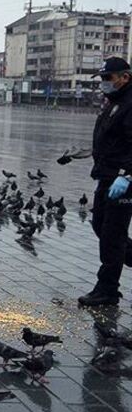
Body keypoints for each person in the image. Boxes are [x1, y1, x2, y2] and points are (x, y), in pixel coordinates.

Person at [78, 57, 132, 307]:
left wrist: (127, 174)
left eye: (108, 78)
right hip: (106, 175)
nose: (103, 83)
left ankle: (107, 289)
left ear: (124, 77)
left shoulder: (130, 103)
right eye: (101, 78)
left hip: (123, 180)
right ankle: (125, 255)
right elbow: (109, 138)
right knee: (100, 223)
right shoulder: (114, 101)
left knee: (112, 234)